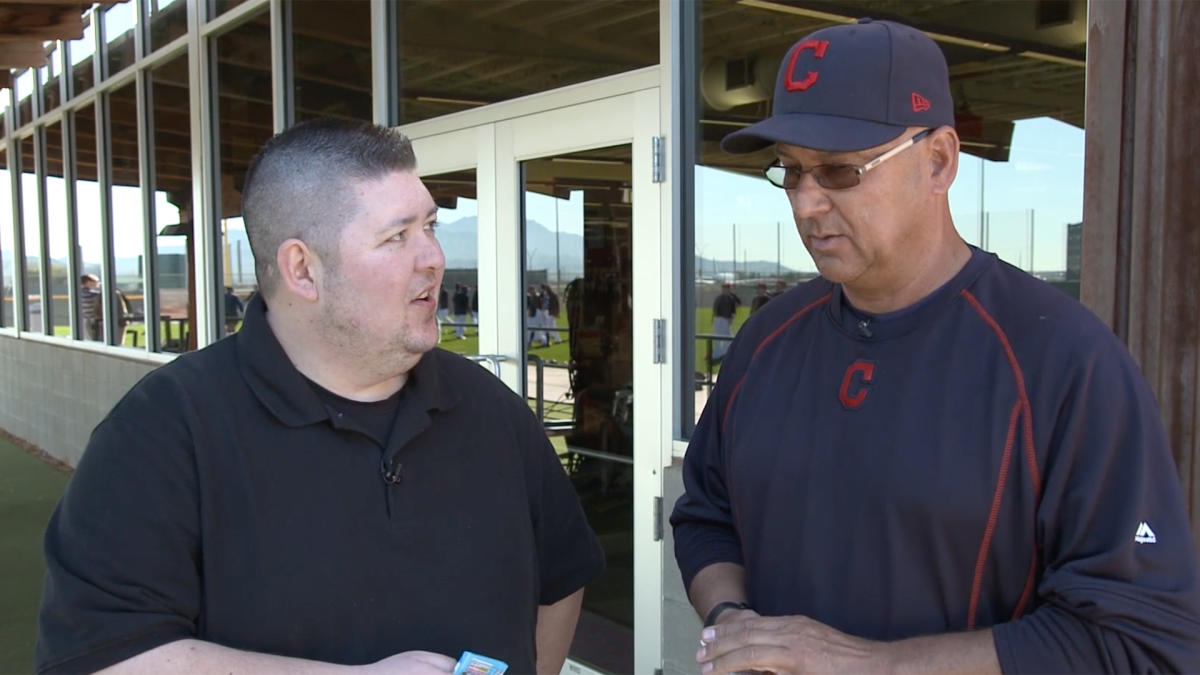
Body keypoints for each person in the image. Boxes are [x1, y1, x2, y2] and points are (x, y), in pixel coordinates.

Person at [671, 18, 1200, 675]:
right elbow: (703, 516)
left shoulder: (1064, 362)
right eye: (791, 171)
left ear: (939, 161)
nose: (807, 202)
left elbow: (1137, 639)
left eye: (839, 170)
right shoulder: (766, 340)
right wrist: (735, 624)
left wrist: (872, 662)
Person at [37, 119, 605, 675]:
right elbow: (102, 657)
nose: (433, 257)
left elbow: (560, 580)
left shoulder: (489, 408)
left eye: (430, 226)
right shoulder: (164, 430)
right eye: (397, 236)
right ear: (303, 270)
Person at [709, 281, 740, 363]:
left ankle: (725, 353)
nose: (725, 290)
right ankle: (717, 354)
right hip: (719, 319)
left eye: (727, 288)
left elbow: (734, 309)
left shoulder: (731, 298)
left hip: (727, 319)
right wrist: (713, 319)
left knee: (728, 337)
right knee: (718, 337)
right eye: (724, 288)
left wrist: (731, 319)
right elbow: (715, 309)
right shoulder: (719, 298)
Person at [78, 274, 102, 341]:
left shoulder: (77, 293)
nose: (98, 283)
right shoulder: (94, 294)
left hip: (83, 321)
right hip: (91, 322)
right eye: (97, 281)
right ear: (88, 282)